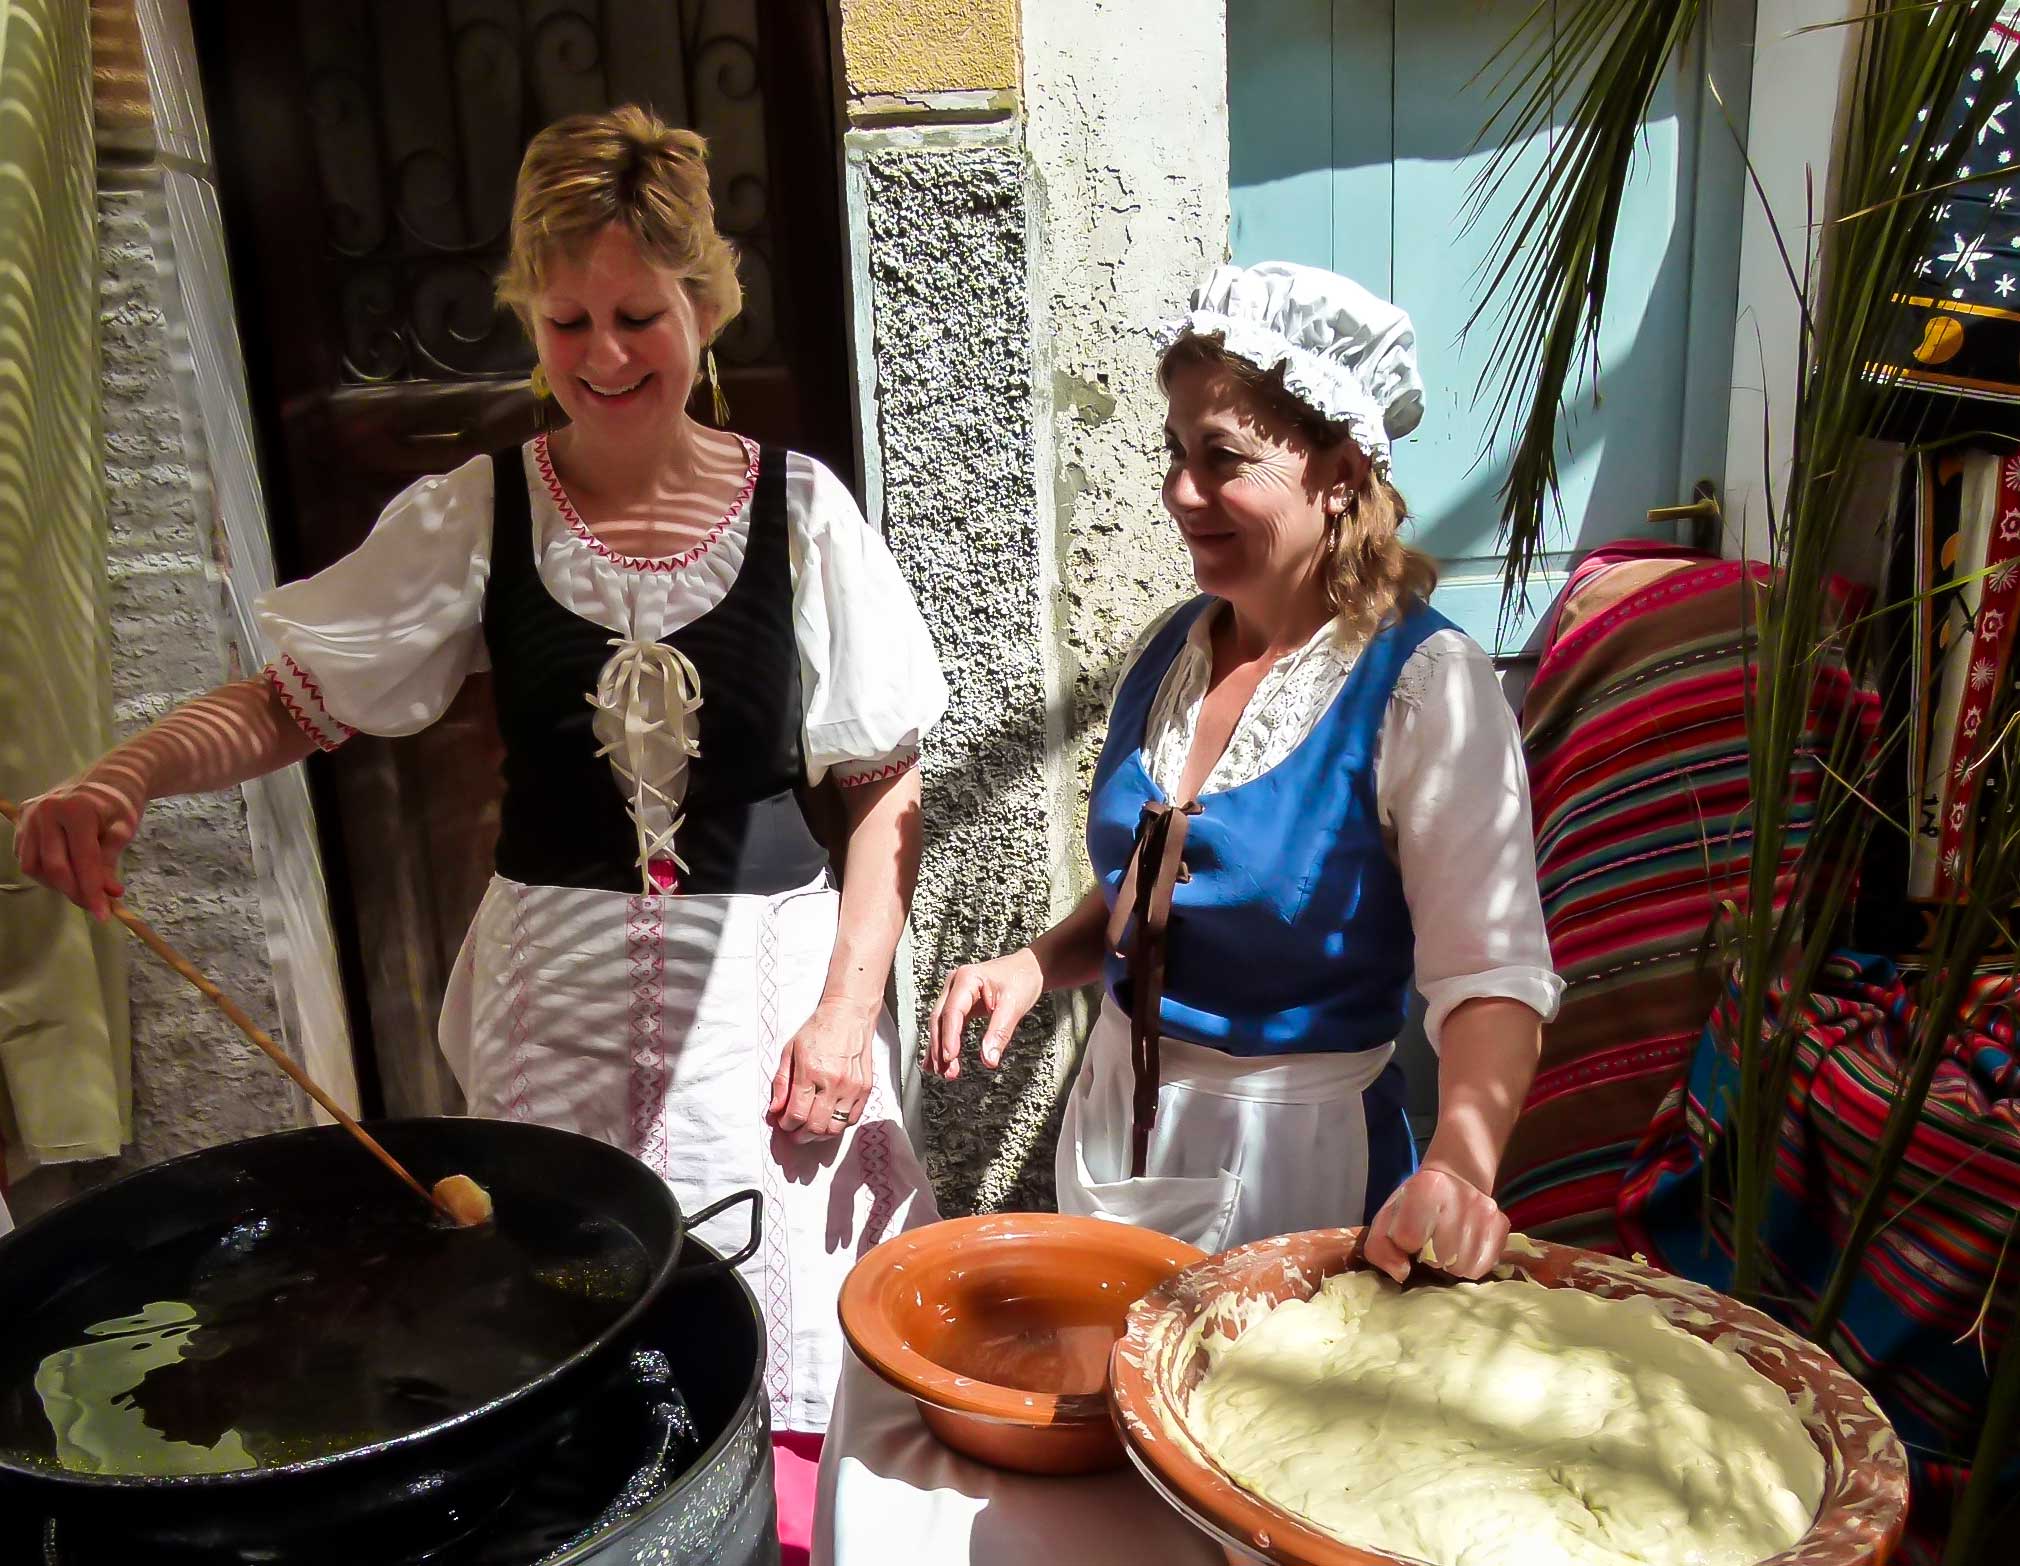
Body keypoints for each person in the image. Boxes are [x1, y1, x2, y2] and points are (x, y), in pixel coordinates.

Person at [15, 106, 945, 1550]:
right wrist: (127, 771)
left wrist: (845, 1011)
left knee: (789, 1345)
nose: (604, 353)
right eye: (566, 319)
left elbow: (883, 785)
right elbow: (289, 705)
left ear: (706, 304)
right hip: (547, 1012)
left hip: (769, 1011)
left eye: (639, 313)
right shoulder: (478, 512)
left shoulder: (804, 514)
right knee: (549, 1333)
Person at [927, 261, 1561, 1281]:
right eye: (1174, 450)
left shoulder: (1423, 688)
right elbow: (1153, 887)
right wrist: (1036, 965)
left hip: (1297, 1161)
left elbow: (1490, 977)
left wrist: (1459, 1166)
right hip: (1116, 1126)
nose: (1182, 492)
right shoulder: (1171, 650)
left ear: (1342, 466)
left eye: (1221, 458)